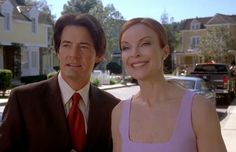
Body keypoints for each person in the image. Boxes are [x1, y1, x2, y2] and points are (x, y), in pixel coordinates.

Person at [0, 13, 120, 152]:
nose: (73, 54)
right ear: (58, 51)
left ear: (99, 55)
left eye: (83, 46)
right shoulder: (23, 100)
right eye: (66, 45)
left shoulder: (113, 107)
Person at [111, 17, 227, 152]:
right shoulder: (119, 113)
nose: (134, 53)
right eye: (126, 47)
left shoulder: (198, 109)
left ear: (164, 52)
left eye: (145, 44)